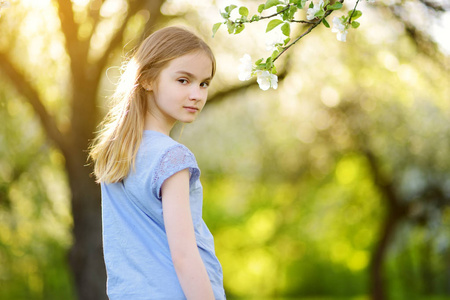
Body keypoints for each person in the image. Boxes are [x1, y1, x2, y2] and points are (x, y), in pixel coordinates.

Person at [89, 26, 225, 300]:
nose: (197, 94)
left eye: (204, 83)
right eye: (184, 80)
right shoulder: (172, 157)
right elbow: (185, 256)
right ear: (148, 79)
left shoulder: (119, 153)